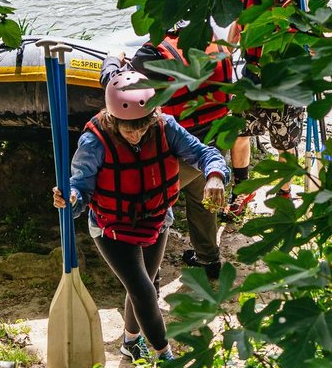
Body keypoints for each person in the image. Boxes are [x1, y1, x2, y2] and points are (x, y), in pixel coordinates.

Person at [53, 71, 228, 366]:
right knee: (144, 290)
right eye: (129, 130)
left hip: (157, 219)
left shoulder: (164, 126)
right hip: (111, 227)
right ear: (112, 119)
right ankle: (165, 359)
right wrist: (70, 198)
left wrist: (214, 176)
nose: (137, 135)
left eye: (143, 128)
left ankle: (130, 341)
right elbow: (79, 187)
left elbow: (204, 153)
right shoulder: (93, 142)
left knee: (145, 284)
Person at [99, 26, 236, 281]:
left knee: (151, 205)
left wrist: (111, 61)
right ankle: (209, 260)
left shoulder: (149, 56)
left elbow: (120, 89)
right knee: (201, 198)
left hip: (178, 148)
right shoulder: (210, 37)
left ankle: (150, 272)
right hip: (216, 136)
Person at [221, 0, 308, 220]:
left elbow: (317, 41)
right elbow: (232, 40)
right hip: (252, 79)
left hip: (285, 85)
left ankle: (284, 194)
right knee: (240, 134)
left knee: (285, 144)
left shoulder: (295, 2)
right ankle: (240, 192)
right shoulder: (246, 0)